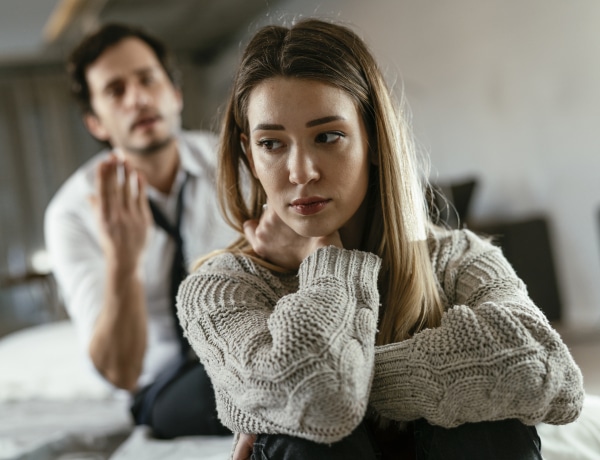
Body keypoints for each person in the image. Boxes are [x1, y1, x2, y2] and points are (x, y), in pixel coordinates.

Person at [176, 18, 584, 459]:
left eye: (328, 136)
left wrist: (332, 381)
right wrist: (328, 261)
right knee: (301, 434)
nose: (300, 172)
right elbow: (319, 408)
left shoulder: (457, 259)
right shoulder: (219, 288)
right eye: (272, 144)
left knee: (493, 426)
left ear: (372, 139)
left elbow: (550, 374)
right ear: (249, 155)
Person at [44, 23, 235, 439]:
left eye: (148, 79)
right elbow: (120, 371)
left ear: (175, 93)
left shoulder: (237, 165)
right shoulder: (71, 214)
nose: (139, 98)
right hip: (161, 385)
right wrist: (124, 262)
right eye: (115, 90)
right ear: (96, 123)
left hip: (247, 352)